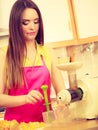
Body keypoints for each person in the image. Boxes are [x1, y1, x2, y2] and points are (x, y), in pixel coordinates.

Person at [0, 0, 71, 123]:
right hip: (15, 126)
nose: (32, 27)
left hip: (45, 125)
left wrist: (63, 105)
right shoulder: (5, 55)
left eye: (36, 22)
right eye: (25, 23)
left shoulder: (49, 53)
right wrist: (25, 99)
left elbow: (62, 94)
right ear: (16, 25)